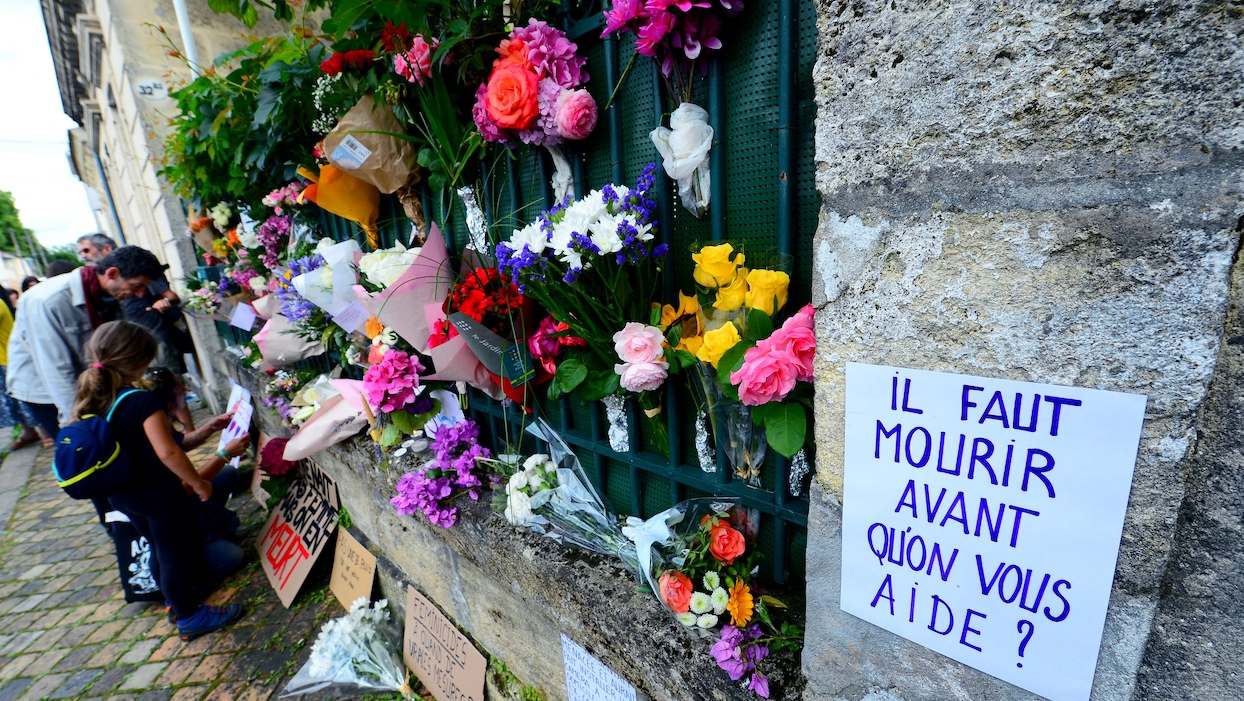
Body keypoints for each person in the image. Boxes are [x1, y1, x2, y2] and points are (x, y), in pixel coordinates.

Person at [72, 320, 247, 639]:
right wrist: (197, 483)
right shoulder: (140, 401)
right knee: (173, 554)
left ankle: (174, 603)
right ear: (139, 359)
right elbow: (167, 453)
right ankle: (189, 615)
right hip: (158, 496)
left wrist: (207, 429)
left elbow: (165, 444)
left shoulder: (102, 399)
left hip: (127, 496)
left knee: (159, 549)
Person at [7, 245, 163, 441]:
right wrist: (75, 423)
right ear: (112, 273)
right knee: (87, 450)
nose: (140, 294)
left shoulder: (109, 295)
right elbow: (55, 369)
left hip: (87, 381)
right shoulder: (48, 301)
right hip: (46, 392)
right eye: (136, 286)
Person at [0, 286, 41, 449]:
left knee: (24, 397)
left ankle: (44, 432)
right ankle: (29, 432)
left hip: (7, 358)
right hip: (3, 360)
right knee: (12, 402)